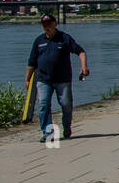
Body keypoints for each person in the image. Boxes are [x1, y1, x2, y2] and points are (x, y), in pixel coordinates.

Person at [25, 13, 89, 142]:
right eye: (44, 24)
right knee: (43, 104)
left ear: (55, 24)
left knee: (66, 104)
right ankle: (48, 133)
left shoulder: (64, 38)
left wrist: (84, 66)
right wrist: (27, 79)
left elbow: (81, 52)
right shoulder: (39, 41)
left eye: (49, 24)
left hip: (63, 79)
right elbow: (32, 62)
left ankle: (66, 126)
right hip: (43, 79)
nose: (46, 27)